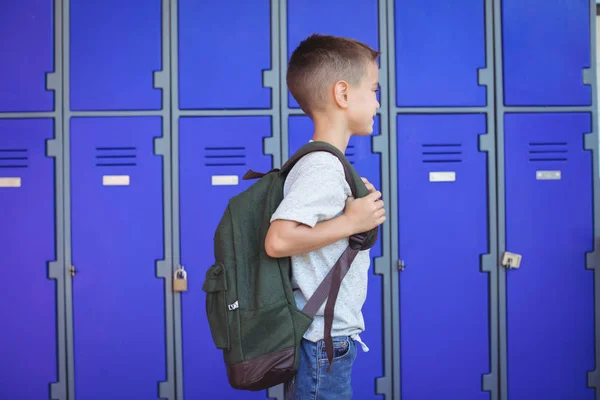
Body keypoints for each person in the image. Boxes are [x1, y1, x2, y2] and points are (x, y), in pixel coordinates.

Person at [264, 33, 386, 400]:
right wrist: (352, 222)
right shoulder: (322, 166)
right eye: (375, 90)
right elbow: (279, 240)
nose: (378, 103)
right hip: (320, 343)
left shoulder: (326, 165)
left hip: (322, 339)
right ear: (344, 94)